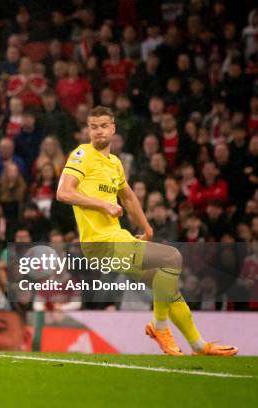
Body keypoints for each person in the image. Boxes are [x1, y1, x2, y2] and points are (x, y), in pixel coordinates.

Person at [56, 105, 237, 356]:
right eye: (94, 126)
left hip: (118, 239)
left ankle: (198, 345)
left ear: (113, 129)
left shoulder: (115, 163)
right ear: (88, 129)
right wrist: (103, 204)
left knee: (166, 286)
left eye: (104, 126)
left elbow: (128, 197)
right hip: (99, 242)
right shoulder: (81, 154)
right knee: (172, 258)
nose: (99, 131)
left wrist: (147, 227)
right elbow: (63, 192)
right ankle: (159, 326)